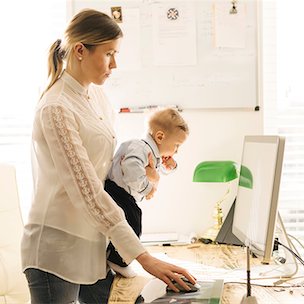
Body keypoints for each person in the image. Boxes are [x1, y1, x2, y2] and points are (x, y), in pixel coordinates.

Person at [20, 8, 196, 304]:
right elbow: (87, 190)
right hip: (57, 249)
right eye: (109, 54)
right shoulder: (57, 107)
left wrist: (151, 170)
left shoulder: (97, 97)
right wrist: (143, 256)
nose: (115, 64)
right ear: (80, 51)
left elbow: (106, 169)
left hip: (93, 244)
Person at [106, 108, 189, 278]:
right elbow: (132, 170)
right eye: (176, 146)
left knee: (130, 223)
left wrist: (170, 166)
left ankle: (118, 256)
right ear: (160, 137)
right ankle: (118, 259)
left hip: (124, 194)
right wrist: (147, 189)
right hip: (117, 192)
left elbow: (155, 171)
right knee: (132, 224)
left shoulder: (151, 153)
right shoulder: (140, 148)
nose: (177, 151)